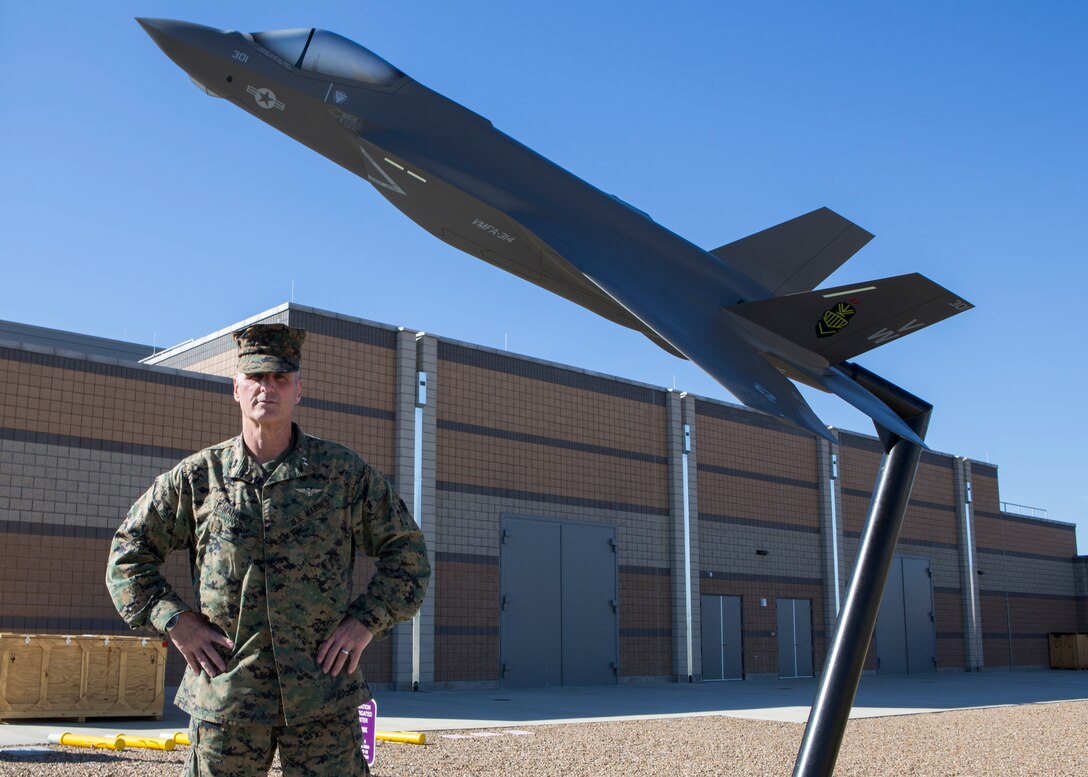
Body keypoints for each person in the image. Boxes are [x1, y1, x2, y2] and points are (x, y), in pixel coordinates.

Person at [107, 323, 429, 776]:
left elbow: (408, 555)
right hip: (227, 696)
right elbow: (128, 554)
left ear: (299, 390)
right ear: (236, 387)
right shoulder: (198, 478)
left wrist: (365, 622)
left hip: (322, 695)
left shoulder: (342, 474)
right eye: (257, 378)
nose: (267, 388)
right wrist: (176, 623)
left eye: (280, 379)